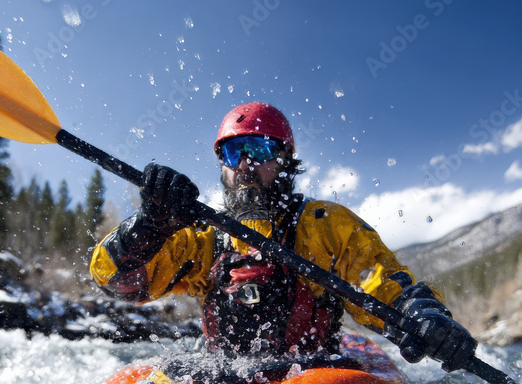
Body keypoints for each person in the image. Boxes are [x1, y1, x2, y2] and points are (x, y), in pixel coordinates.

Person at [90, 102, 476, 369]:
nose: (244, 164)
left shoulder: (325, 224)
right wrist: (151, 224)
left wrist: (421, 315)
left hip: (314, 378)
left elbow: (381, 283)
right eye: (232, 153)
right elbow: (116, 282)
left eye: (258, 149)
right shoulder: (200, 237)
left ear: (286, 161)